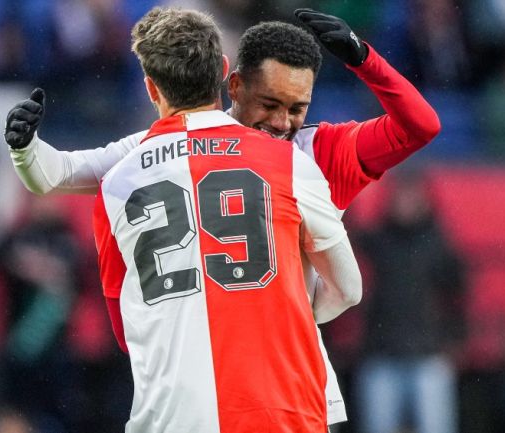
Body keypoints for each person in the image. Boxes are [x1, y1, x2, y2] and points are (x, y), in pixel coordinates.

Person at [4, 7, 441, 427]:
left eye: (297, 107)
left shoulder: (314, 150)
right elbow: (58, 172)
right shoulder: (285, 160)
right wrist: (25, 147)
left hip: (267, 379)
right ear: (233, 85)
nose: (282, 122)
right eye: (270, 103)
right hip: (260, 393)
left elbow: (420, 126)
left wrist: (365, 60)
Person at [91, 7, 361, 431]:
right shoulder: (288, 162)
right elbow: (349, 289)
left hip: (171, 417)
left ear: (149, 88)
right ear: (223, 72)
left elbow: (126, 332)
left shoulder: (116, 183)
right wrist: (280, 311)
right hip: (282, 409)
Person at [355, 173, 466, 433]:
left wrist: (455, 339)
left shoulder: (439, 244)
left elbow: (458, 296)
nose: (405, 202)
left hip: (429, 354)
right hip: (381, 352)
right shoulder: (379, 240)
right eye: (401, 195)